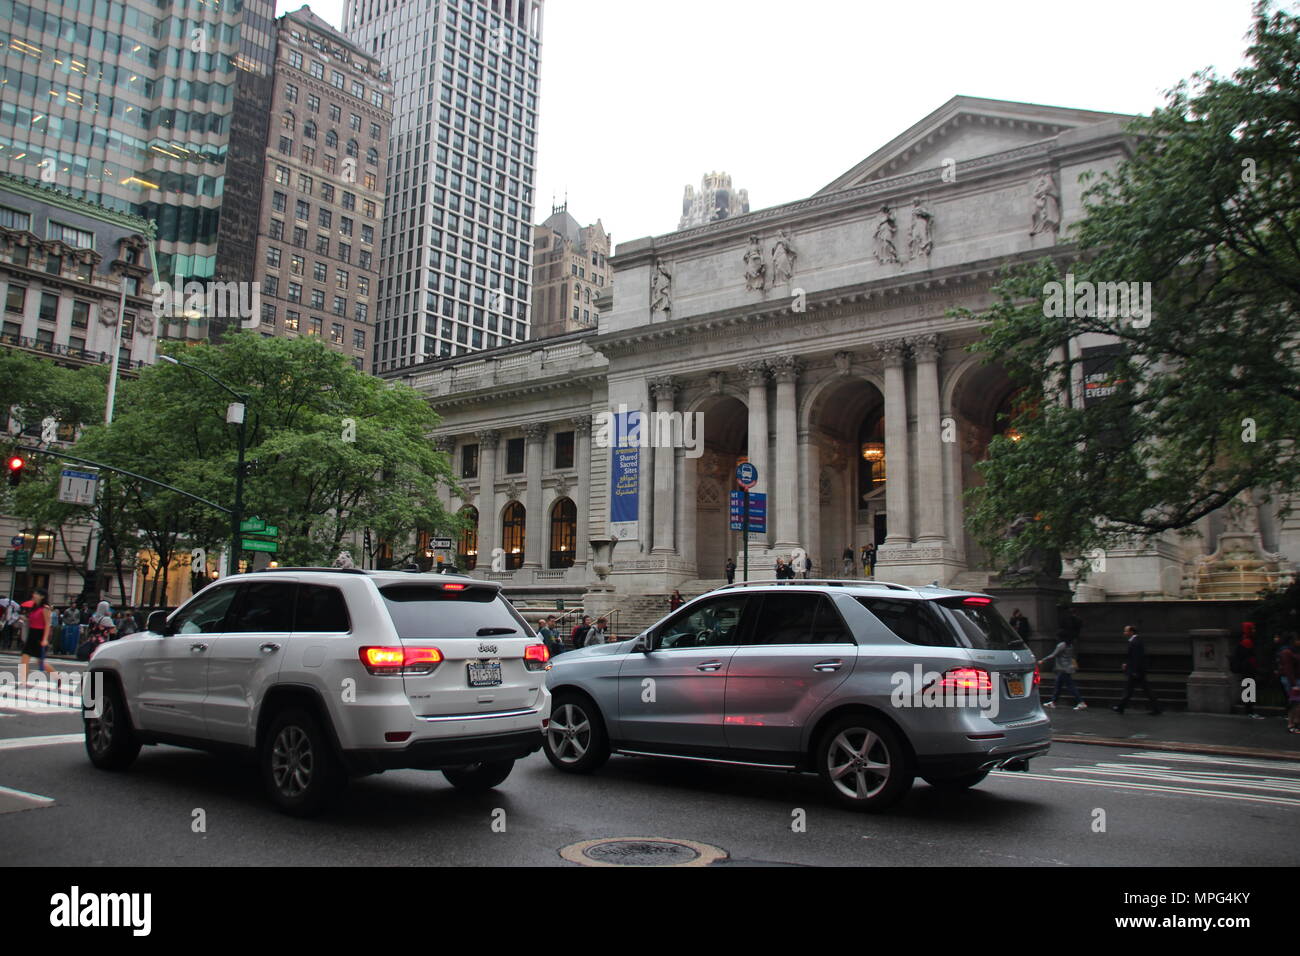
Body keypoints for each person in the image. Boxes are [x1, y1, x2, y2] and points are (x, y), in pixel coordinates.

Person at [1112, 625, 1162, 715]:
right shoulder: (1136, 641)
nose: (1124, 633)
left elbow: (1136, 658)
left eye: (1126, 631)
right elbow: (1133, 658)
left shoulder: (1135, 642)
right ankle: (1121, 707)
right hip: (1138, 671)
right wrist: (1127, 664)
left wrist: (1134, 671)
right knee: (1140, 690)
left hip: (1136, 672)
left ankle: (1120, 707)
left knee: (1132, 690)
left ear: (1131, 632)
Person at [1040, 630, 1087, 710]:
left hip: (1063, 668)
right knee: (1058, 685)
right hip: (1067, 667)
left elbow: (1053, 655)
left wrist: (1043, 660)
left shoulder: (1061, 645)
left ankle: (1080, 702)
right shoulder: (1070, 645)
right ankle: (1053, 702)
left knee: (1070, 686)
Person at [18, 588, 57, 682]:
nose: (34, 595)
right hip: (31, 634)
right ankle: (23, 682)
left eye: (36, 594)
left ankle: (57, 677)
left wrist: (45, 639)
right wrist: (25, 619)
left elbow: (48, 624)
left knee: (41, 662)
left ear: (42, 596)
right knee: (24, 659)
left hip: (39, 636)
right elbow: (33, 620)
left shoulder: (45, 609)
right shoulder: (34, 608)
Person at [1230, 625, 1263, 718]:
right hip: (1248, 669)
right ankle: (1250, 710)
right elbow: (1249, 656)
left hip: (1247, 669)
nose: (1254, 630)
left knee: (1248, 688)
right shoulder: (1247, 642)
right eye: (1252, 628)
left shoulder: (1245, 640)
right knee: (1249, 688)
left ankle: (1249, 710)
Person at [1280, 633, 1299, 733]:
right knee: (1295, 703)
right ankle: (1292, 724)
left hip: (1295, 680)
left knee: (1296, 703)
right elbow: (1288, 669)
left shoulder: (1293, 651)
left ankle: (1295, 723)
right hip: (1293, 681)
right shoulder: (1287, 652)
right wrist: (1294, 684)